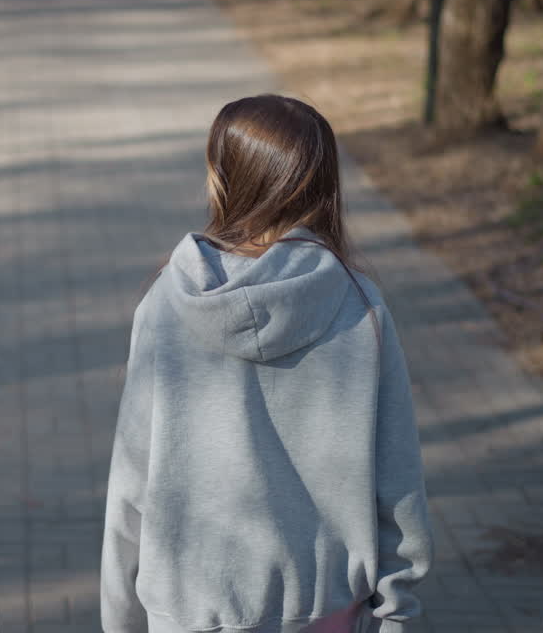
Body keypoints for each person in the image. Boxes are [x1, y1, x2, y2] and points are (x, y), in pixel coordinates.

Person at [100, 95, 432, 633]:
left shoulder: (166, 303)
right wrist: (397, 614)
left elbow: (133, 481)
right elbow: (397, 483)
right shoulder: (358, 305)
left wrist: (119, 618)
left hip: (187, 611)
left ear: (222, 177)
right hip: (324, 609)